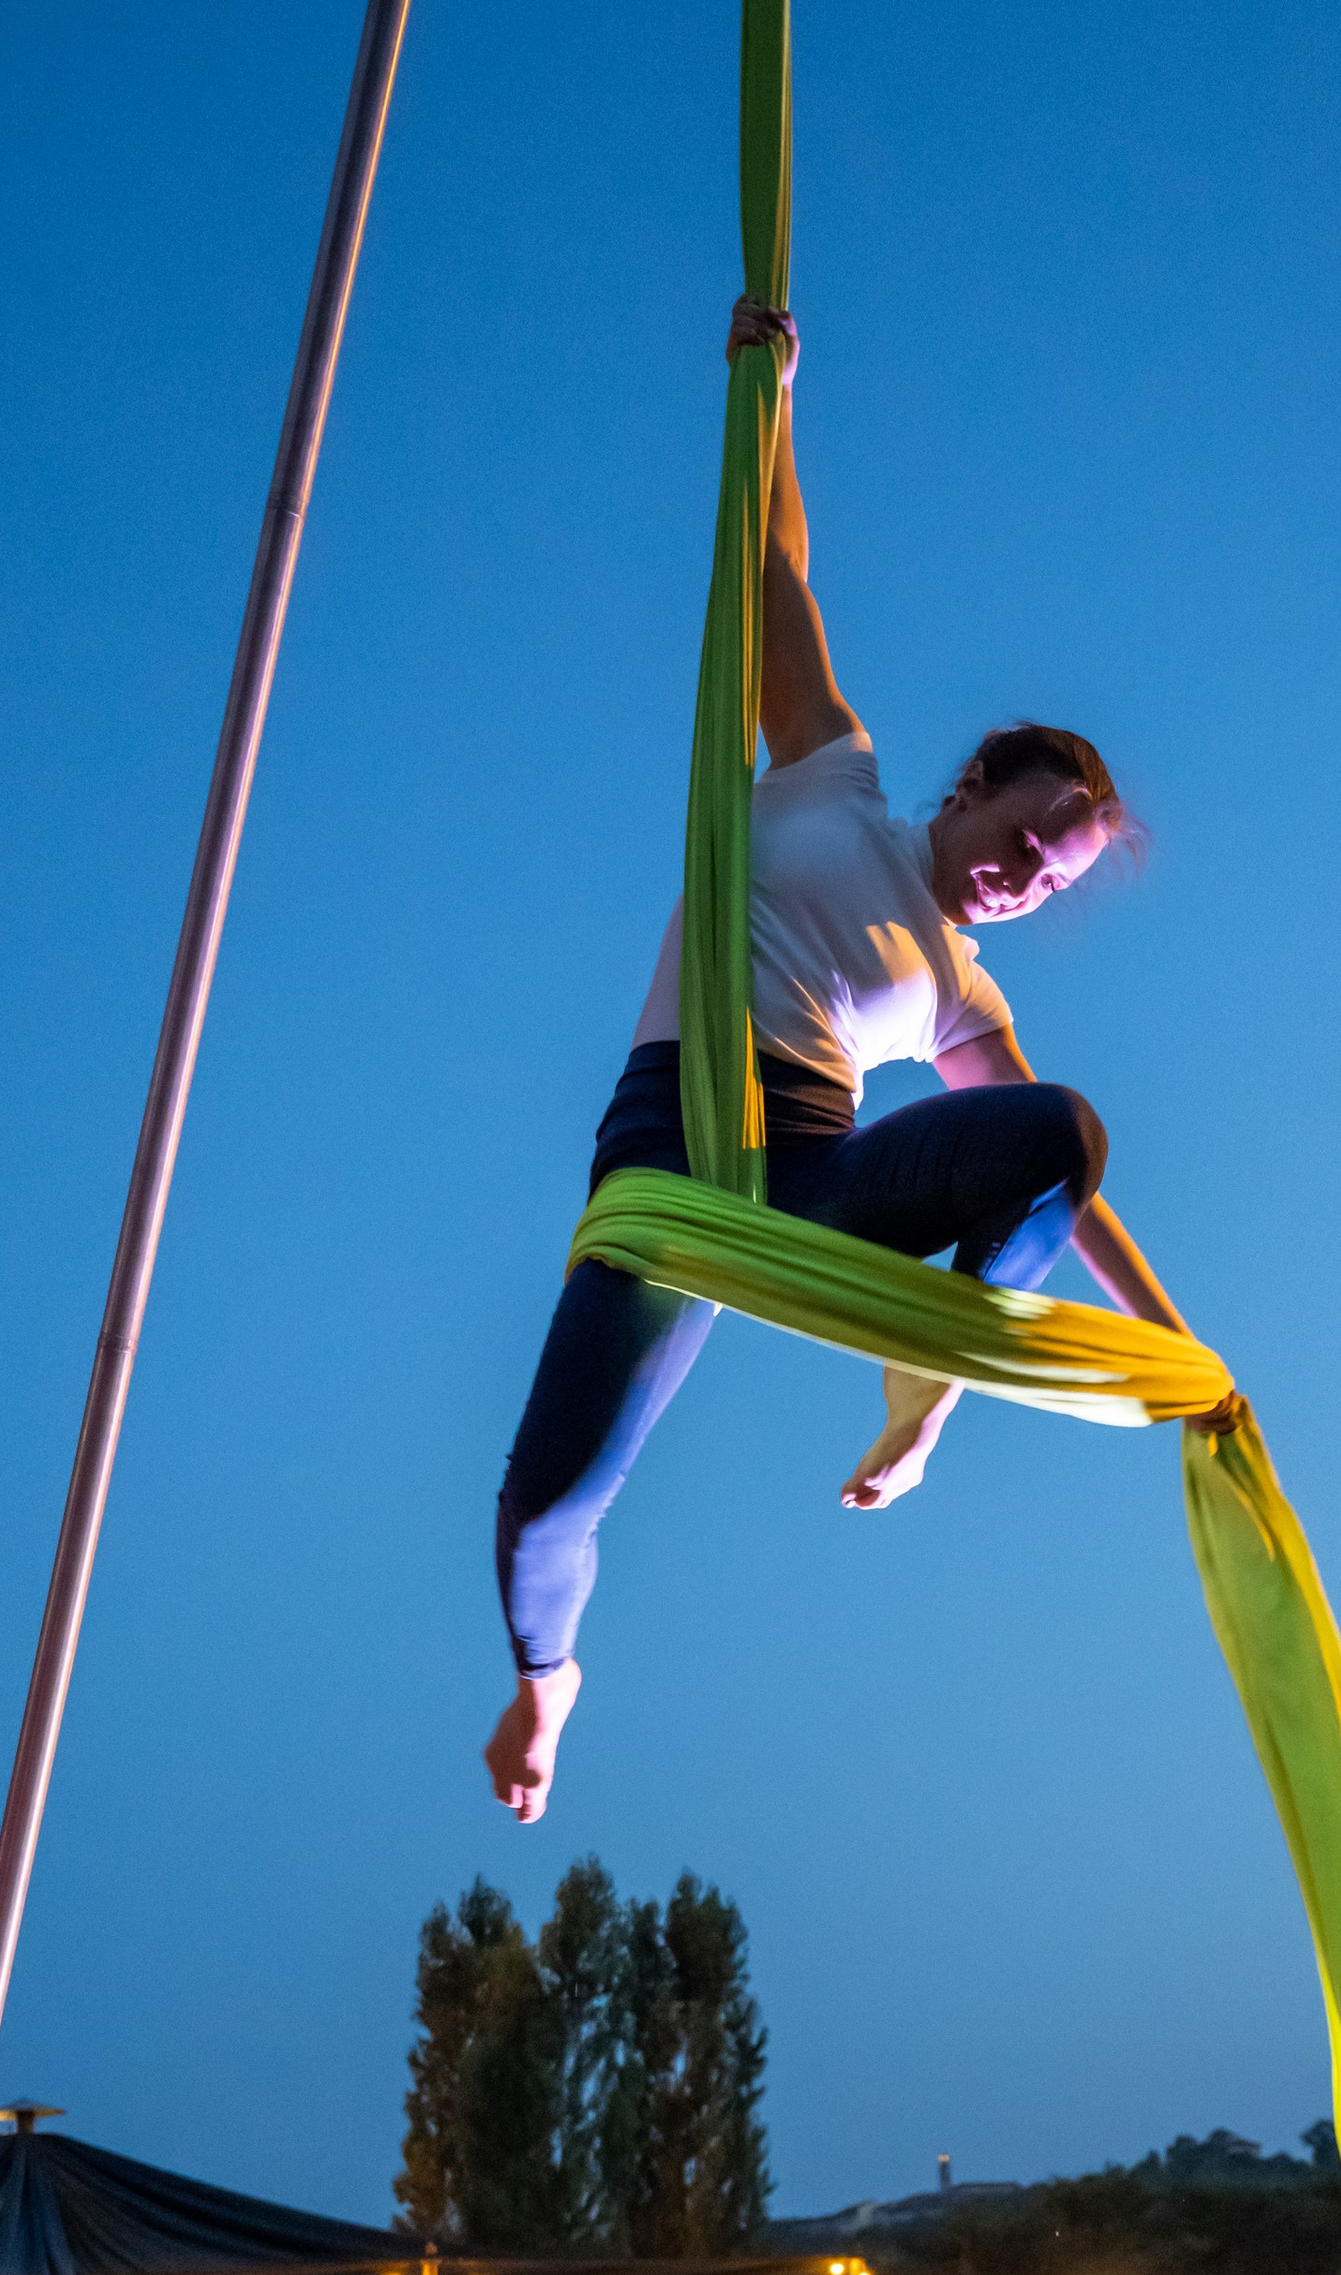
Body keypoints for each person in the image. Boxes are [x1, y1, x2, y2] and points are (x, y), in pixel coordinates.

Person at [485, 300, 1187, 1821]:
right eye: (1024, 841)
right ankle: (549, 1687)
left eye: (1051, 883)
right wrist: (775, 401)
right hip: (669, 1161)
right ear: (976, 782)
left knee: (1058, 1132)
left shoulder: (959, 992)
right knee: (542, 1512)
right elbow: (776, 572)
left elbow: (1073, 1197)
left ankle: (929, 1388)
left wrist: (1178, 1346)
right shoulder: (829, 772)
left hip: (806, 1176)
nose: (1020, 882)